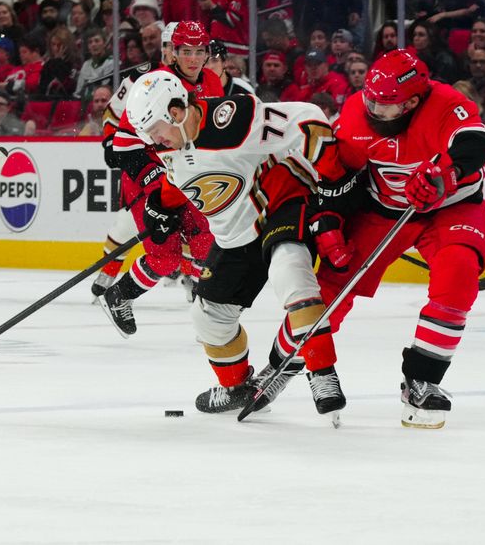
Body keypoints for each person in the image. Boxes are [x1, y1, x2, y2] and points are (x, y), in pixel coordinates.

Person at [120, 70, 346, 420]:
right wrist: (159, 207)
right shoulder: (171, 142)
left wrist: (333, 186)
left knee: (290, 269)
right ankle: (239, 387)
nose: (154, 142)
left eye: (156, 133)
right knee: (207, 316)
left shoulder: (233, 120)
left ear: (176, 112)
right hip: (236, 235)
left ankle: (323, 372)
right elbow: (181, 175)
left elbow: (307, 117)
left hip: (279, 203)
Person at [312, 49, 485, 428]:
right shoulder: (353, 113)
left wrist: (446, 175)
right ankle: (290, 361)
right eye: (370, 100)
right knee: (330, 282)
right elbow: (335, 177)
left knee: (458, 274)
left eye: (386, 106)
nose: (374, 111)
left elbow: (478, 141)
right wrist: (327, 221)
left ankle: (422, 380)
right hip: (382, 211)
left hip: (451, 208)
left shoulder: (447, 104)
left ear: (413, 101)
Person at [91, 21, 222, 304]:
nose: (194, 58)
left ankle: (203, 296)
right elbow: (123, 144)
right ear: (173, 52)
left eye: (200, 51)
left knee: (205, 242)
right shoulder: (153, 83)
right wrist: (155, 189)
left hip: (182, 175)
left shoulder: (211, 82)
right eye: (187, 51)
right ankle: (117, 295)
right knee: (164, 257)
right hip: (148, 175)